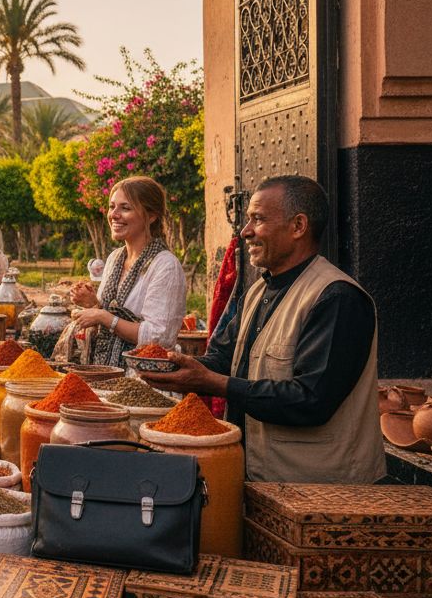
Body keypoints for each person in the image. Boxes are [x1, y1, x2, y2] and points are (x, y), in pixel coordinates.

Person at [143, 175, 384, 484]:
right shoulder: (257, 291)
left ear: (298, 226)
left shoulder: (336, 297)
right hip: (258, 477)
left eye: (257, 219)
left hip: (320, 488)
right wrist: (171, 368)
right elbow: (223, 360)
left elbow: (310, 401)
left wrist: (214, 383)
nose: (245, 231)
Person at [68, 176, 186, 366]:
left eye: (125, 208)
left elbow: (159, 338)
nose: (114, 215)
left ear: (152, 216)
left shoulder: (165, 266)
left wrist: (103, 317)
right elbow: (110, 320)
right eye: (112, 207)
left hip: (142, 376)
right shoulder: (114, 258)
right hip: (106, 370)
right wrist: (93, 305)